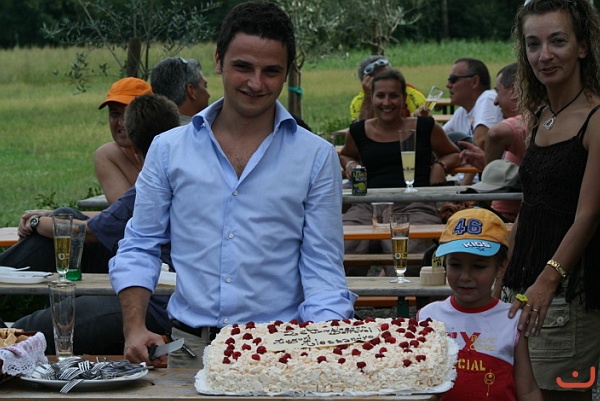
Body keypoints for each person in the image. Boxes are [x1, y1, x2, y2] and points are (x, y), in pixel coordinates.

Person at [109, 1, 357, 369]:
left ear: (287, 72)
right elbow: (139, 245)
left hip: (281, 353)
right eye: (243, 67)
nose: (256, 83)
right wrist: (134, 327)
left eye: (271, 71)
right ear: (218, 60)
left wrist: (324, 350)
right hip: (189, 351)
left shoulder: (316, 156)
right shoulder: (168, 149)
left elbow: (323, 270)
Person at [9, 94, 181, 355]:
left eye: (122, 114)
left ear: (134, 150)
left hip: (156, 303)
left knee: (25, 333)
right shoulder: (176, 172)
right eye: (113, 114)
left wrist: (35, 221)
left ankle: (21, 336)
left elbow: (89, 232)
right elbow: (111, 220)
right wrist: (52, 217)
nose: (118, 122)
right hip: (147, 278)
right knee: (66, 214)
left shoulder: (151, 184)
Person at [501, 1, 600, 400]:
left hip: (566, 291)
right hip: (524, 286)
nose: (544, 55)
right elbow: (531, 205)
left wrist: (548, 279)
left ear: (582, 46)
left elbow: (589, 214)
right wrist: (502, 274)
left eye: (557, 41)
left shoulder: (596, 118)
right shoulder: (541, 115)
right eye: (533, 44)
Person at [339, 69, 460, 277]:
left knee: (407, 253)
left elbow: (454, 153)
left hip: (415, 204)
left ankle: (402, 293)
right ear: (372, 97)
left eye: (393, 96)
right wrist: (350, 165)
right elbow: (346, 154)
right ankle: (351, 295)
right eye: (380, 95)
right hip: (368, 205)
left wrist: (440, 165)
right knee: (344, 246)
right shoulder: (358, 131)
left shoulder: (424, 127)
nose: (387, 102)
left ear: (403, 98)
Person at [417, 208, 542, 401]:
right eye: (455, 265)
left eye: (478, 266)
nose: (465, 276)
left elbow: (528, 390)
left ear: (501, 267)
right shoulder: (428, 317)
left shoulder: (512, 319)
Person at [459, 63, 526, 222]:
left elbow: (495, 134)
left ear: (515, 91)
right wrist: (488, 165)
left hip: (505, 221)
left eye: (498, 92)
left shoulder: (527, 123)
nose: (495, 101)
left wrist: (488, 172)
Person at [438, 58, 503, 185]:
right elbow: (439, 143)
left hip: (482, 186)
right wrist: (426, 124)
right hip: (467, 185)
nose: (448, 85)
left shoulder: (487, 98)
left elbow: (480, 142)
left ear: (474, 81)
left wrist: (463, 191)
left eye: (453, 80)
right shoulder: (462, 112)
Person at [95, 77, 153, 204]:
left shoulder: (168, 148)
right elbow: (125, 211)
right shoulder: (109, 155)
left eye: (128, 114)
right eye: (115, 114)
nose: (121, 123)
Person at [349, 55, 426, 122]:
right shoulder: (359, 101)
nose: (386, 102)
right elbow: (360, 129)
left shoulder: (412, 94)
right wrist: (368, 98)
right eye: (380, 79)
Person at [150, 57, 211, 125]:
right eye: (205, 86)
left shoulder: (152, 128)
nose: (208, 94)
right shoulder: (203, 130)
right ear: (191, 91)